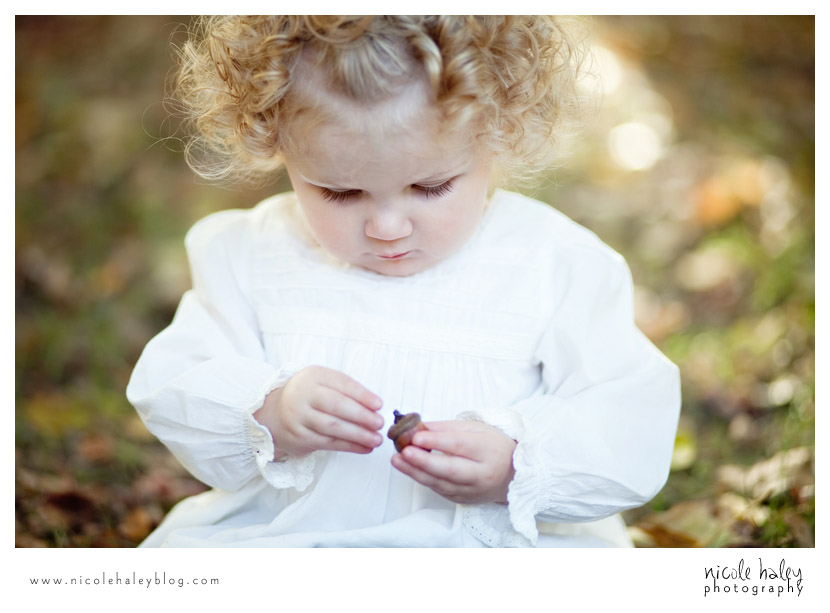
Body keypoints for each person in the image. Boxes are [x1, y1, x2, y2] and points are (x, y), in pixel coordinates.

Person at [127, 15, 681, 547]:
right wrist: (271, 409)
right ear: (276, 142)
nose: (387, 227)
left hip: (480, 551)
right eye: (340, 193)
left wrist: (517, 463)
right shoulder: (254, 256)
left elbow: (628, 416)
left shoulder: (552, 265)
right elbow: (177, 382)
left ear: (497, 132)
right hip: (297, 540)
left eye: (431, 186)